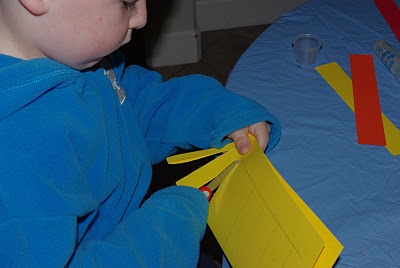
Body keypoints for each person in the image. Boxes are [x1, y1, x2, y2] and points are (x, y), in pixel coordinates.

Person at [0, 0, 281, 267]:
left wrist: (218, 113)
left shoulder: (73, 54)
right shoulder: (18, 155)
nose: (142, 17)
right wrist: (170, 225)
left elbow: (131, 105)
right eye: (126, 1)